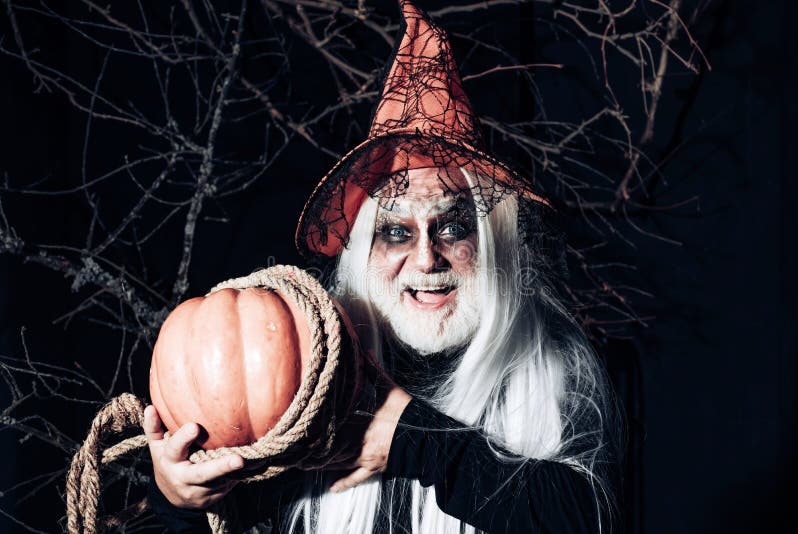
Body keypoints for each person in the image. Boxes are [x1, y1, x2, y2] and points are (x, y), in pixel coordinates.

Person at [145, 2, 620, 532]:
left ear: (490, 242)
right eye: (395, 232)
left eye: (453, 227)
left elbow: (587, 520)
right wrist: (177, 502)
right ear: (361, 252)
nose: (425, 257)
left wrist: (414, 439)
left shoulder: (561, 374)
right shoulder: (301, 390)